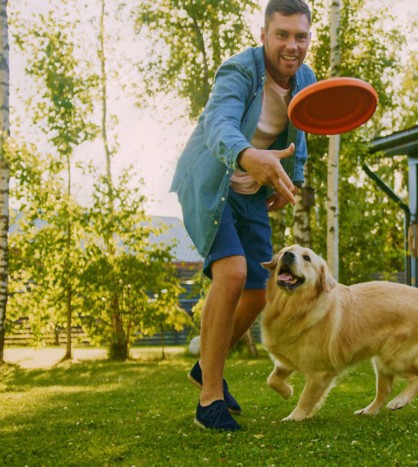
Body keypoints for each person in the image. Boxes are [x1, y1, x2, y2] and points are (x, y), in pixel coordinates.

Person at [170, 0, 315, 431]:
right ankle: (209, 397)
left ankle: (205, 365)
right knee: (232, 274)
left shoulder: (305, 79)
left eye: (301, 36)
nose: (292, 46)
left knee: (259, 287)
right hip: (211, 181)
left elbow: (300, 134)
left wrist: (294, 180)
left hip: (252, 190)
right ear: (264, 35)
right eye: (283, 35)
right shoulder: (240, 71)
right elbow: (219, 123)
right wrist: (249, 156)